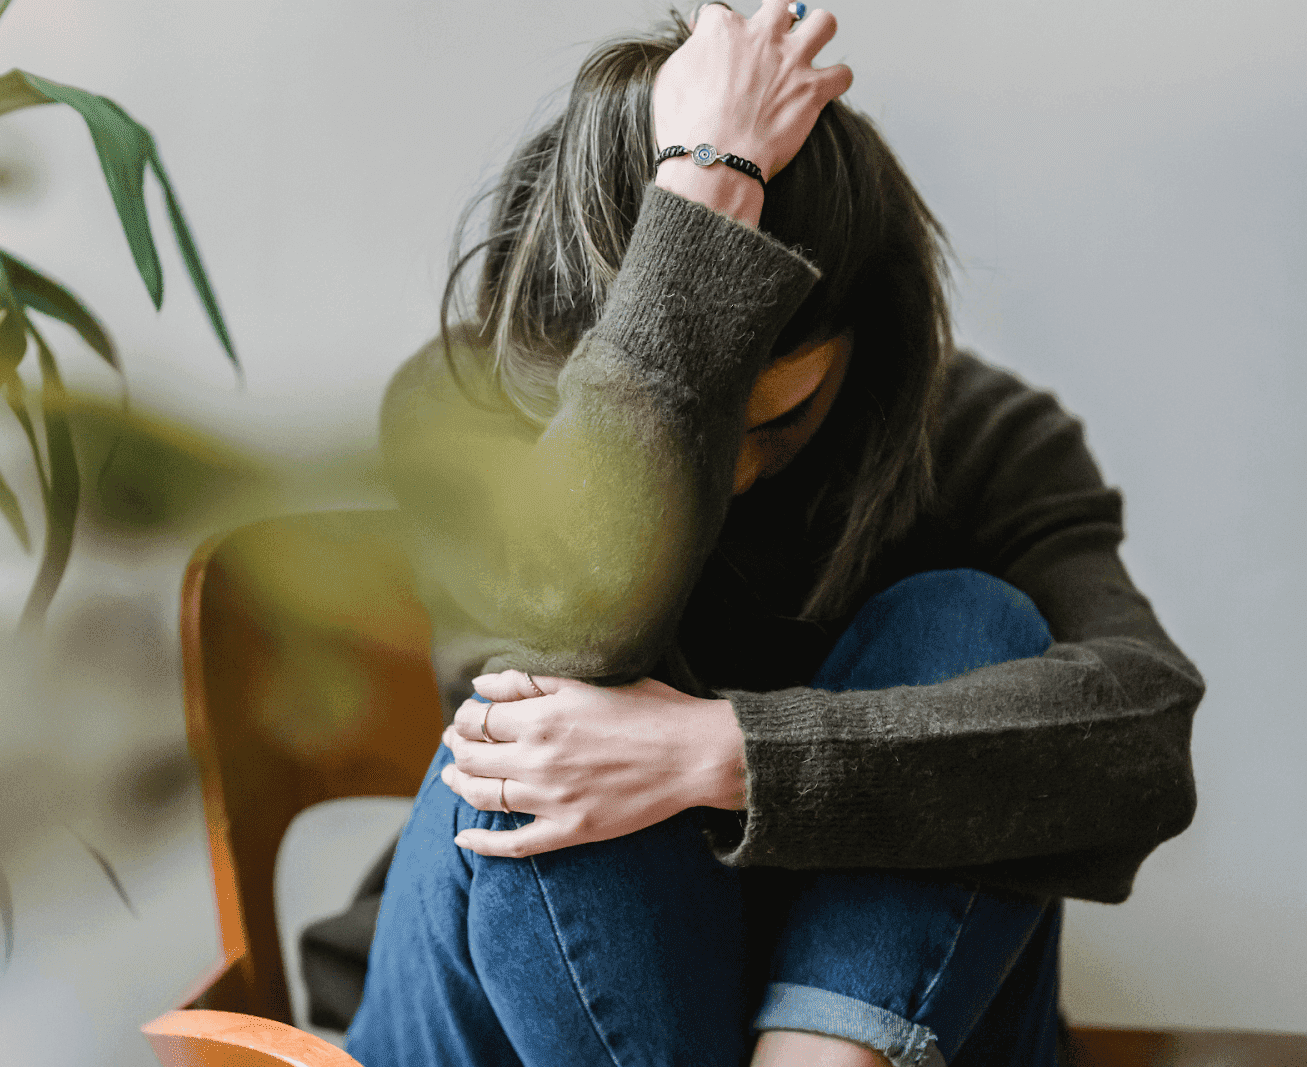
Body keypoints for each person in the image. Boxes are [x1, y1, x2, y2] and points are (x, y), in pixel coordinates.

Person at [314, 4, 1203, 1065]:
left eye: (775, 421)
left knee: (969, 618)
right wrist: (706, 190)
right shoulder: (459, 406)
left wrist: (721, 754)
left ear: (866, 345)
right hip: (501, 1014)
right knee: (541, 734)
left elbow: (1140, 736)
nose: (731, 470)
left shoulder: (970, 433)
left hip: (847, 1029)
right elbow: (566, 640)